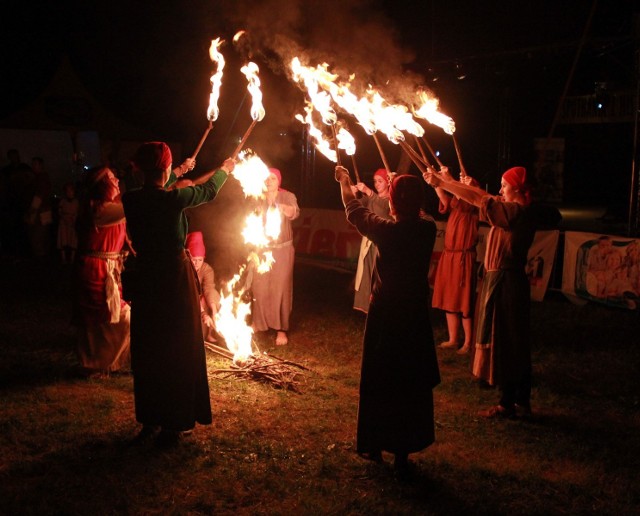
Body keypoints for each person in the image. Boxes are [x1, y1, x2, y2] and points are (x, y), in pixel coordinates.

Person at [122, 141, 234, 448]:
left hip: (147, 277)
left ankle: (151, 419)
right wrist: (224, 171)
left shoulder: (130, 199)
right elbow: (208, 191)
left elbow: (158, 190)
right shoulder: (173, 200)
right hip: (173, 277)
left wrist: (177, 173)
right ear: (166, 167)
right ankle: (174, 422)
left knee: (149, 346)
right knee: (178, 346)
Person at [335, 165, 440, 478]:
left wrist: (343, 182)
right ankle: (403, 453)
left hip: (386, 314)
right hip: (415, 315)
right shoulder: (427, 228)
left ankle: (375, 444)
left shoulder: (389, 232)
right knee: (408, 382)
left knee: (381, 378)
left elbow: (353, 209)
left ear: (393, 203)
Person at [424, 165, 536, 419]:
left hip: (508, 284)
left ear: (517, 189)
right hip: (498, 280)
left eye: (504, 185)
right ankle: (508, 400)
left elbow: (479, 199)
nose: (500, 190)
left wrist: (445, 184)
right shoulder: (506, 207)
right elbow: (478, 196)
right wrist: (448, 181)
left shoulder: (516, 212)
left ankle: (518, 401)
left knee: (512, 341)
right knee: (502, 339)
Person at [73, 166, 130, 377]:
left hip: (105, 268)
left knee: (107, 318)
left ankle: (99, 363)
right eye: (111, 178)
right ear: (102, 185)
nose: (116, 180)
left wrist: (177, 172)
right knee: (99, 319)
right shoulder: (100, 210)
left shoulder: (110, 207)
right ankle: (95, 364)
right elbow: (136, 205)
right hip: (94, 270)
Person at [431, 167, 479, 354]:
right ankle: (453, 339)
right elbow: (444, 197)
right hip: (449, 255)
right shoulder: (457, 202)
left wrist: (449, 180)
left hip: (463, 256)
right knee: (450, 297)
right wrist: (435, 181)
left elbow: (466, 193)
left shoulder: (471, 202)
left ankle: (468, 343)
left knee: (464, 300)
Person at [251, 167, 300, 346]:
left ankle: (281, 330)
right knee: (259, 286)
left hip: (282, 250)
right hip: (262, 249)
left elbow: (294, 212)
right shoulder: (257, 196)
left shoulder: (287, 196)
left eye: (273, 178)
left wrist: (278, 206)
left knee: (281, 288)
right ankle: (259, 323)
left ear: (278, 181)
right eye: (267, 178)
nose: (269, 181)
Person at [352, 168, 392, 313]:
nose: (377, 184)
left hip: (383, 246)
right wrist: (352, 192)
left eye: (380, 181)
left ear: (388, 182)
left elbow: (384, 209)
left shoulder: (391, 199)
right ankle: (369, 310)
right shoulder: (370, 198)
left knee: (381, 279)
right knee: (367, 278)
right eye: (375, 181)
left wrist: (368, 191)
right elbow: (356, 205)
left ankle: (383, 310)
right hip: (369, 245)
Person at [185, 230, 221, 343]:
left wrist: (214, 312)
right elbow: (190, 293)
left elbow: (209, 288)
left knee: (213, 299)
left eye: (200, 260)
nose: (196, 263)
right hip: (187, 299)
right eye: (193, 260)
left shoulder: (207, 269)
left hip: (201, 299)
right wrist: (203, 314)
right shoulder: (184, 269)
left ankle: (208, 333)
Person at [25, 157, 53, 259]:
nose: (33, 166)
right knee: (41, 236)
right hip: (41, 211)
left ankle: (41, 260)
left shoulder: (41, 178)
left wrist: (32, 209)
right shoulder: (39, 178)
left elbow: (39, 195)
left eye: (35, 164)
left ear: (41, 165)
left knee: (38, 236)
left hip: (40, 212)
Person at [57, 182, 79, 264]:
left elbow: (76, 212)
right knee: (63, 240)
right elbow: (59, 212)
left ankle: (72, 258)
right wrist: (64, 217)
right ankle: (63, 258)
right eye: (67, 191)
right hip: (64, 223)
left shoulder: (76, 202)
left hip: (72, 223)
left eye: (71, 191)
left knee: (72, 240)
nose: (69, 193)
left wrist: (73, 218)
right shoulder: (63, 201)